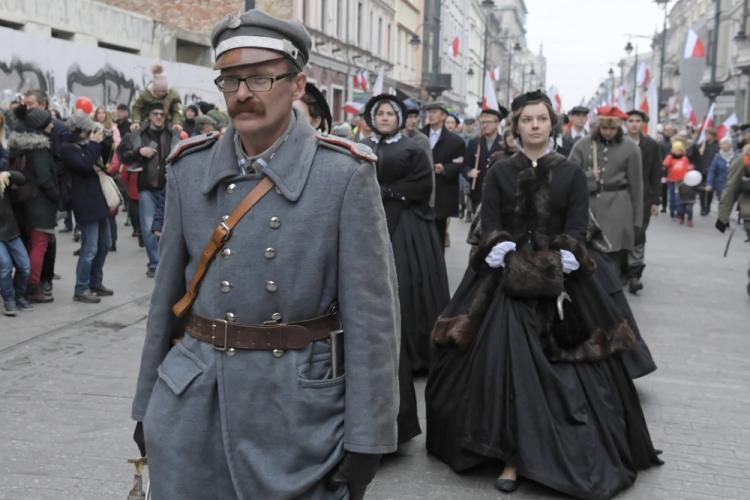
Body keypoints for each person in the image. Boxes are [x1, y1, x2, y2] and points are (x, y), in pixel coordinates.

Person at [130, 10, 399, 500]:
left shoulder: (343, 175)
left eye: (260, 77)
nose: (243, 93)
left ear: (298, 85)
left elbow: (372, 320)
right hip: (194, 400)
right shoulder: (190, 170)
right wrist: (147, 405)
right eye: (230, 79)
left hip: (296, 411)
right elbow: (165, 302)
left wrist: (369, 435)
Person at [425, 90, 661, 499]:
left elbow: (575, 228)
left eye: (541, 119)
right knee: (505, 363)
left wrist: (561, 259)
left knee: (574, 364)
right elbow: (490, 225)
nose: (534, 125)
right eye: (527, 119)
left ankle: (548, 451)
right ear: (515, 126)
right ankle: (510, 455)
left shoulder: (570, 172)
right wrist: (505, 253)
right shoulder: (499, 171)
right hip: (504, 280)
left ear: (552, 125)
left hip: (563, 284)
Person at [361, 93, 450, 443]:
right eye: (379, 113)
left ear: (398, 118)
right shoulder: (360, 144)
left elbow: (421, 185)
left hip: (407, 225)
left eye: (389, 113)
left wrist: (387, 192)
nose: (383, 118)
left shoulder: (412, 147)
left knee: (408, 283)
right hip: (369, 220)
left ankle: (415, 353)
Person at [569, 106, 643, 280]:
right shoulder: (583, 144)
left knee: (613, 252)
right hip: (589, 206)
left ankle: (612, 287)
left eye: (612, 128)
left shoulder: (631, 148)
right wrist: (588, 176)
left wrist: (637, 221)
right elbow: (569, 175)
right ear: (597, 126)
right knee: (588, 251)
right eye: (604, 128)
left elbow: (636, 186)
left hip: (619, 206)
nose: (608, 132)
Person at [58, 112, 113, 303]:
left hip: (97, 198)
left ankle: (95, 282)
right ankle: (81, 288)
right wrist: (95, 143)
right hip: (83, 201)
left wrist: (106, 140)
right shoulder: (67, 148)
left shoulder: (87, 144)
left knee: (105, 244)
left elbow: (102, 160)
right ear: (79, 130)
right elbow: (84, 164)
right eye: (88, 130)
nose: (91, 133)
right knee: (89, 248)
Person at [119, 101, 179, 277]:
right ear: (149, 116)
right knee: (148, 227)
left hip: (170, 188)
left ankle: (167, 263)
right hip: (147, 187)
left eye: (162, 114)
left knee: (171, 229)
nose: (159, 117)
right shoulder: (138, 134)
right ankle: (155, 264)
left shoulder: (173, 134)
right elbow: (123, 156)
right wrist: (139, 152)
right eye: (155, 114)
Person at [9, 106, 58, 303]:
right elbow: (44, 177)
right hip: (40, 204)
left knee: (33, 245)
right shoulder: (39, 149)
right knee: (39, 246)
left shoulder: (23, 146)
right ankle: (32, 287)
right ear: (41, 126)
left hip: (28, 203)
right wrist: (56, 195)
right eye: (49, 122)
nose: (52, 125)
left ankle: (25, 284)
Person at [624, 109, 662, 294]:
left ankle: (635, 274)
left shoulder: (651, 145)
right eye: (630, 120)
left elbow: (656, 173)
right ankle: (622, 269)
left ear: (643, 123)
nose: (633, 124)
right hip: (621, 196)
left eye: (637, 120)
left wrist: (656, 200)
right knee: (622, 233)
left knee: (639, 232)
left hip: (644, 198)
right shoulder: (619, 142)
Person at [422, 101, 466, 246]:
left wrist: (445, 168)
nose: (431, 115)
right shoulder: (419, 136)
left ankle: (437, 266)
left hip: (442, 193)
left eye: (435, 112)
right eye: (430, 112)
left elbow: (459, 163)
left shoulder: (456, 141)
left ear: (443, 116)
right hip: (421, 192)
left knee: (438, 237)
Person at [463, 106, 509, 215]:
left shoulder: (505, 143)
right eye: (482, 122)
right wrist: (469, 172)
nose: (484, 125)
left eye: (488, 122)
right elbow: (465, 165)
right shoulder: (474, 143)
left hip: (500, 193)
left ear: (497, 124)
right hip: (478, 192)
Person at [0, 169, 33, 315]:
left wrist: (8, 174)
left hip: (11, 230)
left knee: (25, 265)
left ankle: (18, 295)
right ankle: (9, 300)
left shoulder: (2, 180)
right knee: (6, 265)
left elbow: (21, 179)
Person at [93, 106, 121, 252]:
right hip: (96, 172)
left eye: (103, 113)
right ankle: (100, 240)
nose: (101, 115)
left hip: (108, 170)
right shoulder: (92, 128)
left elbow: (116, 148)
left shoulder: (113, 129)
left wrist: (110, 168)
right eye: (99, 112)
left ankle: (112, 241)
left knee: (111, 208)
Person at [130, 64, 183, 132]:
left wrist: (177, 122)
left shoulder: (173, 95)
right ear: (153, 90)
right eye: (158, 92)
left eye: (163, 91)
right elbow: (137, 108)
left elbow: (178, 110)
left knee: (175, 134)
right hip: (147, 120)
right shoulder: (145, 94)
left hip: (167, 120)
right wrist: (136, 121)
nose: (160, 94)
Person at [688, 128, 719, 215]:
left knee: (709, 190)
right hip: (701, 170)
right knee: (702, 190)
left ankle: (708, 205)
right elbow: (692, 155)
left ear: (713, 136)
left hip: (712, 171)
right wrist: (694, 145)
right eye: (705, 135)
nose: (706, 136)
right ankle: (703, 208)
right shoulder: (701, 145)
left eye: (708, 135)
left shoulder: (717, 146)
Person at [662, 141, 692, 218]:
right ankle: (672, 210)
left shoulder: (684, 158)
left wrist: (690, 169)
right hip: (671, 180)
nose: (677, 152)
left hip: (681, 180)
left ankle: (679, 211)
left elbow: (687, 167)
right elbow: (665, 164)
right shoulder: (670, 157)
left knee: (680, 196)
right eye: (676, 150)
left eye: (679, 150)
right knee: (672, 196)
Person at [706, 136, 734, 203]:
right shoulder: (717, 157)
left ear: (730, 145)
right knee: (723, 203)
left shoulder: (736, 156)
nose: (722, 146)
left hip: (733, 185)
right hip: (721, 185)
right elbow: (712, 171)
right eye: (721, 144)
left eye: (724, 144)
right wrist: (709, 183)